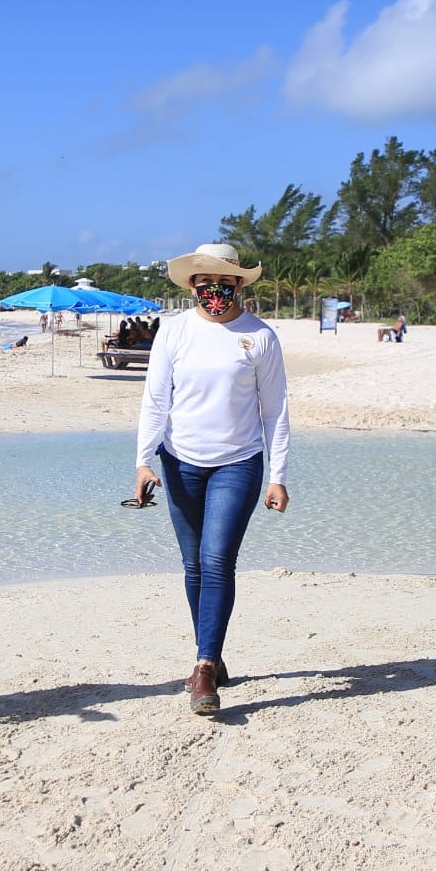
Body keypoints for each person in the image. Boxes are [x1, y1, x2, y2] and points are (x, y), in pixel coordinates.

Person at [133, 243, 290, 716]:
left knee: (217, 560)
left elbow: (276, 411)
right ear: (192, 285)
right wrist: (143, 461)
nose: (214, 290)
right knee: (194, 566)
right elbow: (155, 400)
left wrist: (278, 476)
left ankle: (203, 667)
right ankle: (213, 653)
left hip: (238, 463)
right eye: (205, 282)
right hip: (179, 462)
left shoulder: (259, 336)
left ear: (239, 284)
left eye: (224, 282)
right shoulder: (173, 331)